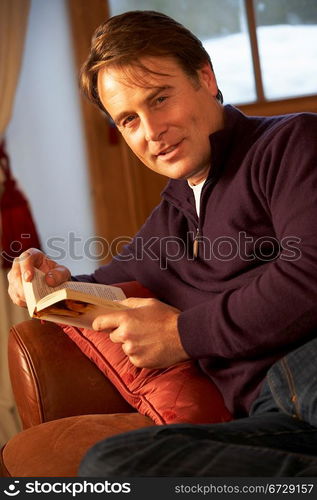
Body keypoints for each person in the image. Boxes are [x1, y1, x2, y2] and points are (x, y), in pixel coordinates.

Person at [7, 11, 317, 476]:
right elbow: (92, 287)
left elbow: (308, 276)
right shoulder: (169, 221)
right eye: (129, 119)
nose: (151, 131)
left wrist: (181, 335)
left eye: (160, 98)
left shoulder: (289, 144)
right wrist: (40, 276)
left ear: (205, 78)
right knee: (113, 464)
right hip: (274, 418)